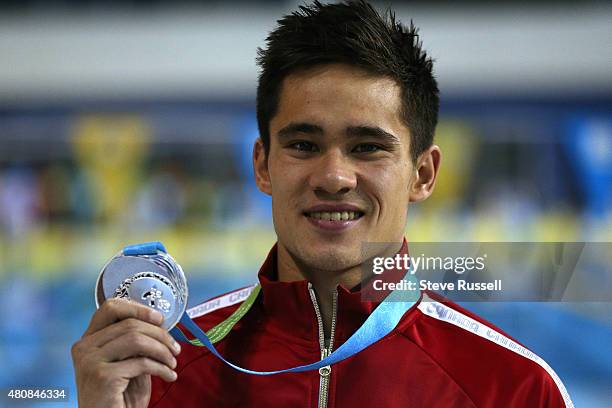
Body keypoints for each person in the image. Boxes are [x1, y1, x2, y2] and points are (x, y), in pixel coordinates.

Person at [71, 1, 573, 407]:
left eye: (368, 147)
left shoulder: (514, 388)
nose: (333, 177)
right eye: (304, 146)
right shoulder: (160, 374)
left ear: (423, 174)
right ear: (263, 166)